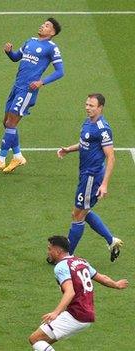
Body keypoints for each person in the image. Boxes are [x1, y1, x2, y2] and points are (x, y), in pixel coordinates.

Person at [0, 18, 64, 173]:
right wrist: (9, 52)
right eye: (43, 23)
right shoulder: (30, 41)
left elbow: (60, 71)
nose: (42, 25)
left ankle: (0, 159)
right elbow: (15, 58)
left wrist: (42, 82)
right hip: (16, 87)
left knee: (11, 123)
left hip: (27, 90)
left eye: (47, 25)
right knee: (7, 122)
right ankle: (18, 156)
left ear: (52, 32)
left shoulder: (52, 48)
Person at [28, 235, 128, 351]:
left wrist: (56, 312)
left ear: (58, 251)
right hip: (87, 314)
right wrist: (116, 284)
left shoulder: (60, 267)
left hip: (75, 314)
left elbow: (70, 292)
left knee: (35, 339)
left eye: (50, 249)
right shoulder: (81, 261)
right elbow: (103, 278)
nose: (48, 252)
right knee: (43, 342)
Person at [55, 93, 123, 262]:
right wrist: (68, 149)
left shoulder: (103, 128)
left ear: (100, 108)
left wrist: (104, 184)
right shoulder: (87, 122)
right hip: (85, 175)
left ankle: (67, 256)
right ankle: (111, 240)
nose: (87, 108)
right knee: (82, 211)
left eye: (91, 105)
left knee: (77, 215)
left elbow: (111, 157)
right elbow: (85, 144)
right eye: (86, 104)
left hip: (92, 177)